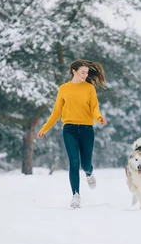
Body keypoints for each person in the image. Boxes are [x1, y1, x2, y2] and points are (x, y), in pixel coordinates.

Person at [37, 59, 107, 208]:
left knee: (86, 164)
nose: (85, 75)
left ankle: (89, 173)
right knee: (74, 162)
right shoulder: (63, 89)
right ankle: (76, 195)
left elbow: (94, 108)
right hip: (69, 129)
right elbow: (56, 112)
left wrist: (99, 117)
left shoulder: (89, 88)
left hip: (87, 129)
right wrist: (44, 129)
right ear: (74, 71)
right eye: (83, 72)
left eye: (87, 73)